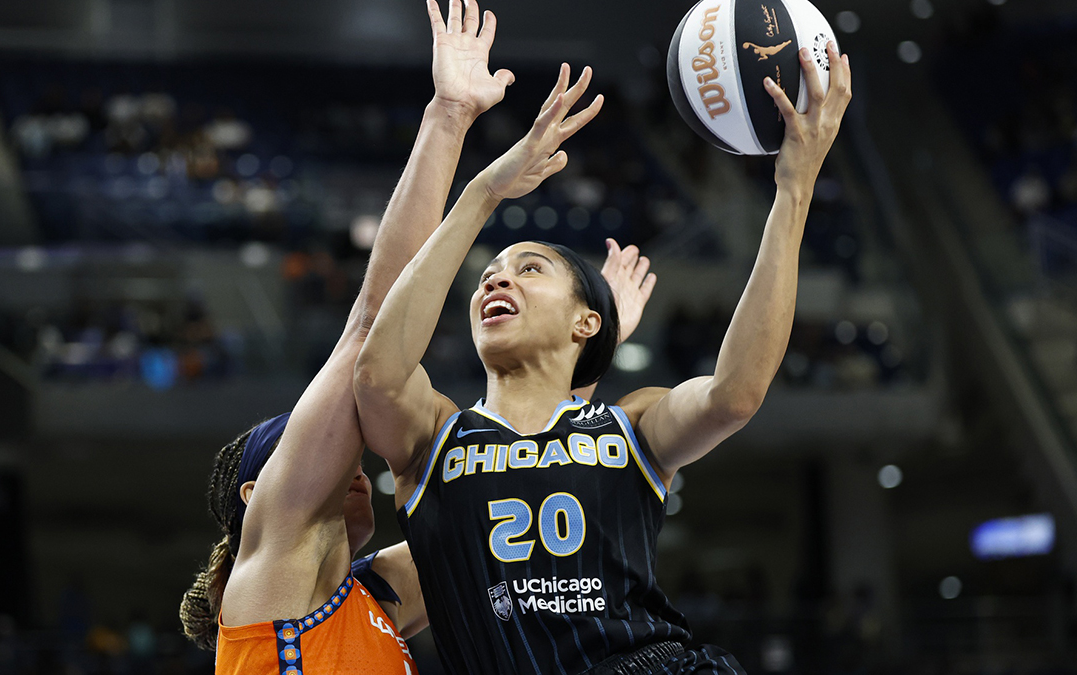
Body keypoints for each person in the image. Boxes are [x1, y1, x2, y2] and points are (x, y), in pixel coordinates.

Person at [177, 1, 654, 672]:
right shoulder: (274, 566)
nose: (351, 453)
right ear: (260, 497)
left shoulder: (376, 597)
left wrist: (575, 353)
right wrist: (450, 117)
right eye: (318, 441)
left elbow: (516, 493)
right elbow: (372, 326)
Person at [353, 41, 852, 675]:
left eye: (528, 269)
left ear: (585, 321)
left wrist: (794, 187)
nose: (494, 282)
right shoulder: (433, 434)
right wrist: (484, 194)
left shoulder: (629, 425)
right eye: (489, 276)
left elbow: (736, 393)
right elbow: (375, 368)